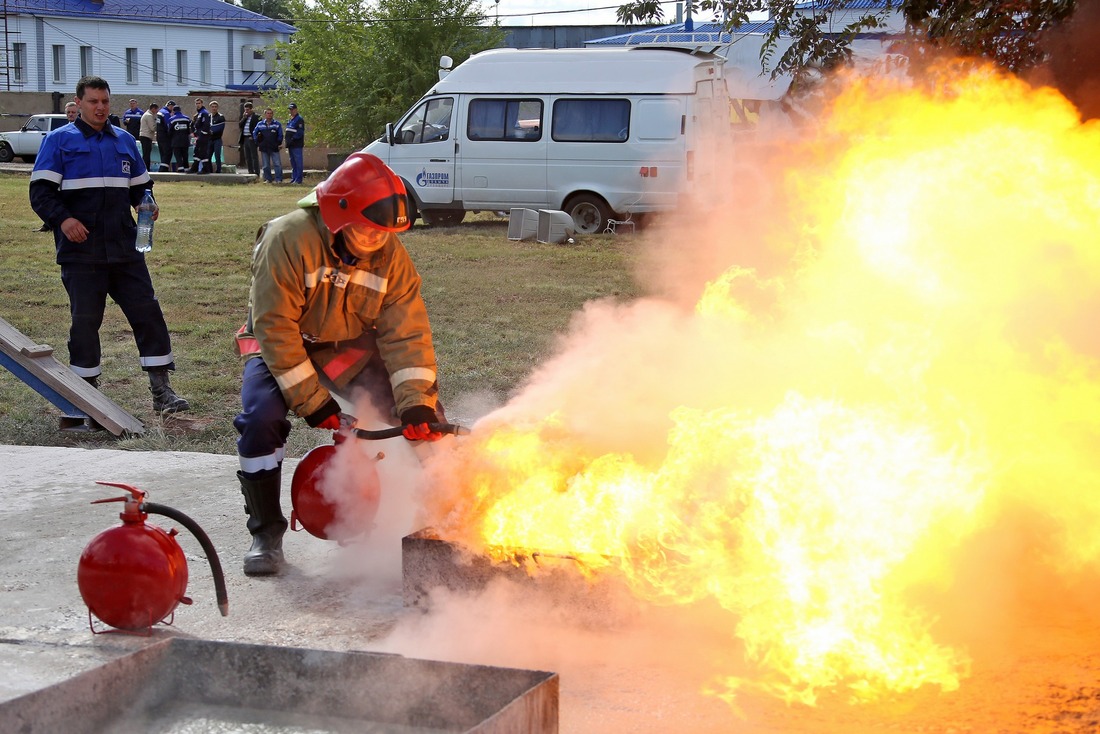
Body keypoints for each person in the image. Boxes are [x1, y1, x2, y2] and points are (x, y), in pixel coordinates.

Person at [232, 152, 443, 576]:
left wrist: (416, 403)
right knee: (260, 419)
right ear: (337, 212)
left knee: (429, 422)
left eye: (383, 232)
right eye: (366, 230)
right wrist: (314, 403)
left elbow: (406, 334)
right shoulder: (286, 238)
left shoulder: (390, 256)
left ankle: (443, 519)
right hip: (277, 346)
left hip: (343, 348)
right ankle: (266, 532)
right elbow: (275, 328)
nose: (375, 239)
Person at [28, 75, 189, 415]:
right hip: (81, 251)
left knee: (148, 314)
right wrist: (64, 220)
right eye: (93, 102)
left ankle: (162, 392)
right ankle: (85, 396)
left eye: (104, 101)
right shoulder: (59, 141)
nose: (100, 107)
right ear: (79, 103)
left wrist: (148, 204)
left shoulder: (126, 141)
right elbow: (40, 194)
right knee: (85, 321)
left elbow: (141, 189)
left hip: (124, 249)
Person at [253, 107, 283, 184]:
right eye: (268, 113)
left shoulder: (277, 124)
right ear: (265, 114)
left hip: (274, 147)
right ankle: (268, 179)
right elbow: (254, 133)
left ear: (272, 114)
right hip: (264, 147)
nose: (269, 115)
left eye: (271, 113)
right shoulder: (260, 124)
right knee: (265, 165)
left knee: (277, 164)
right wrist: (258, 142)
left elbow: (280, 135)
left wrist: (278, 143)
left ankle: (278, 179)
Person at [284, 102, 306, 184]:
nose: (291, 111)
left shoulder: (299, 119)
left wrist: (293, 139)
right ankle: (294, 178)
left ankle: (298, 179)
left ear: (296, 109)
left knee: (298, 162)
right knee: (293, 162)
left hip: (296, 144)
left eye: (292, 109)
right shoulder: (290, 119)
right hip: (290, 144)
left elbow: (300, 132)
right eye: (290, 109)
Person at [189, 98, 211, 173]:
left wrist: (201, 134)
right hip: (199, 136)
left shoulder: (204, 113)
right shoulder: (200, 113)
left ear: (202, 104)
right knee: (197, 152)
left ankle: (205, 169)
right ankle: (194, 168)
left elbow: (206, 125)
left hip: (203, 137)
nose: (197, 105)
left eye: (199, 103)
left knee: (203, 152)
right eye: (196, 103)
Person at [239, 102, 260, 176]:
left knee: (254, 156)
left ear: (251, 109)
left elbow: (259, 129)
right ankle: (250, 171)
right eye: (245, 110)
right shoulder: (245, 117)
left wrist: (254, 137)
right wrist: (244, 118)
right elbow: (240, 125)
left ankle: (256, 172)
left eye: (248, 110)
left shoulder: (256, 117)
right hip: (245, 138)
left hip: (252, 138)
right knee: (247, 156)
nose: (246, 111)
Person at [168, 103, 191, 172]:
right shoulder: (187, 118)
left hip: (176, 141)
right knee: (185, 155)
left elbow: (170, 131)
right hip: (185, 140)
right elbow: (189, 130)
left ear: (173, 111)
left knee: (178, 155)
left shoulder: (171, 119)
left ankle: (181, 168)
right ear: (180, 110)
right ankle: (186, 168)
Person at [138, 101, 159, 170]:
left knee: (146, 153)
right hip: (146, 136)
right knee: (146, 154)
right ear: (153, 109)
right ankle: (146, 168)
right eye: (156, 109)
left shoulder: (146, 114)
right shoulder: (149, 116)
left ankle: (145, 168)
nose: (157, 111)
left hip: (144, 135)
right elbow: (152, 127)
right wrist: (158, 124)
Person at [155, 100, 174, 171]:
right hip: (165, 136)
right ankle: (163, 169)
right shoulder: (166, 113)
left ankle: (164, 168)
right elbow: (168, 124)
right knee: (167, 153)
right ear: (170, 106)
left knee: (162, 153)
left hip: (159, 136)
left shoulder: (160, 112)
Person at [208, 100, 226, 173]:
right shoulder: (208, 116)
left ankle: (218, 170)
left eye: (215, 107)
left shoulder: (221, 117)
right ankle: (209, 170)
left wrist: (210, 130)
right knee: (208, 156)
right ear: (210, 108)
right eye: (212, 107)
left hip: (217, 139)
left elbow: (219, 128)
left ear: (217, 107)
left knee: (217, 155)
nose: (214, 108)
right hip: (209, 139)